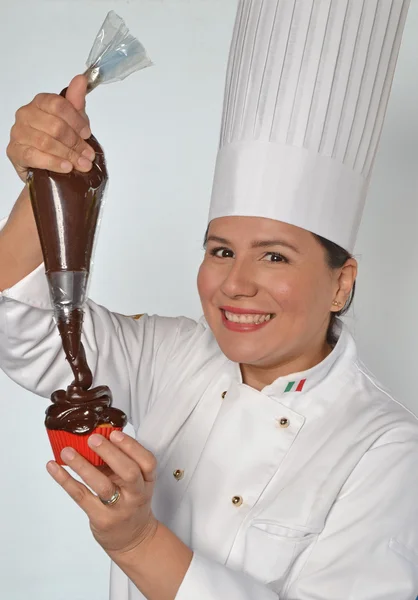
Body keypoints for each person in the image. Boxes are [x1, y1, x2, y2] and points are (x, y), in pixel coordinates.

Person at [1, 1, 417, 599]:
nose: (236, 283)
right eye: (220, 250)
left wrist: (137, 543)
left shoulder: (388, 450)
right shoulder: (172, 353)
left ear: (341, 282)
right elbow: (22, 328)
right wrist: (51, 179)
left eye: (274, 256)